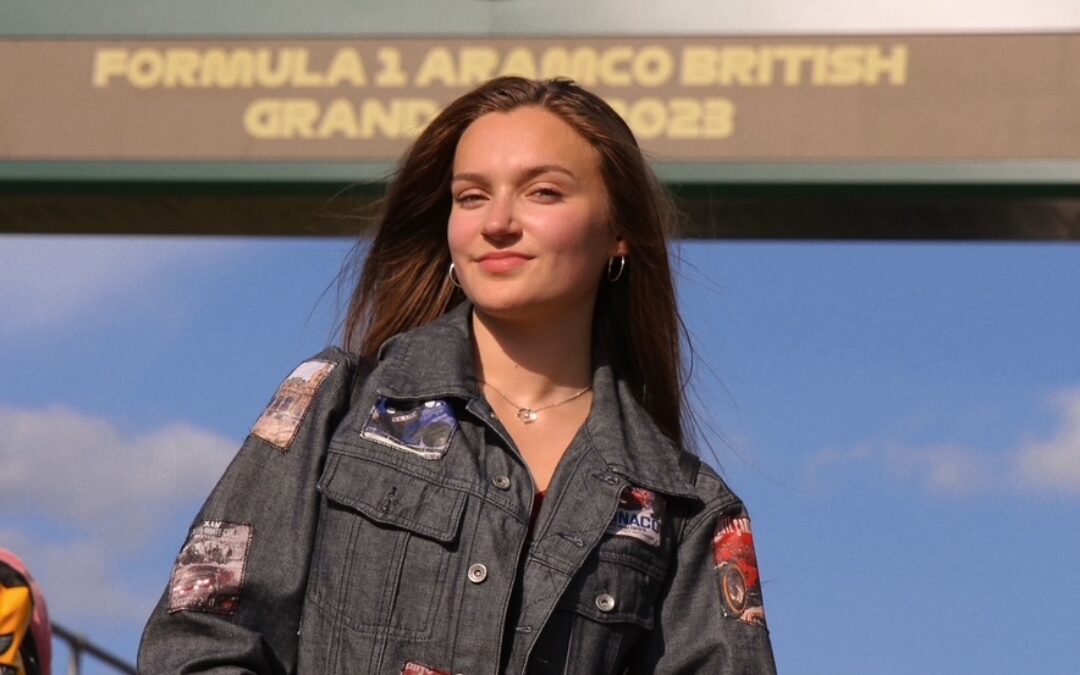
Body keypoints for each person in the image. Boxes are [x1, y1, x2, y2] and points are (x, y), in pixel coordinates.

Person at [139, 76, 776, 674]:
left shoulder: (685, 508)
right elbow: (199, 639)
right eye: (472, 196)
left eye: (543, 191)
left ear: (620, 233)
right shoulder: (337, 407)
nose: (497, 222)